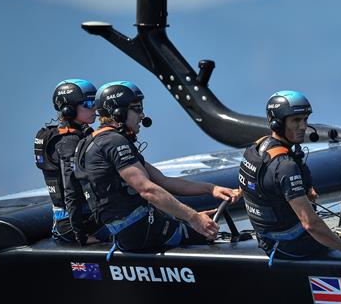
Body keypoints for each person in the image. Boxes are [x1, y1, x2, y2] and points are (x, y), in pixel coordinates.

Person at [74, 81, 237, 253]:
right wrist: (194, 218)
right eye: (137, 108)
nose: (142, 115)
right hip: (140, 231)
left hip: (130, 230)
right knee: (207, 234)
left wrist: (211, 189)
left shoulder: (96, 141)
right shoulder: (114, 142)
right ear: (118, 112)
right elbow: (148, 190)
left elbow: (163, 181)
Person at [239, 90, 341, 261]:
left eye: (305, 119)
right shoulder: (285, 167)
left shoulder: (256, 148)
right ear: (277, 124)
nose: (303, 126)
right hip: (291, 248)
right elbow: (310, 224)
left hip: (267, 239)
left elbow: (256, 184)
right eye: (296, 120)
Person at [34, 79, 108, 244]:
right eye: (88, 104)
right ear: (69, 109)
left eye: (95, 102)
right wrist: (79, 236)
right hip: (76, 224)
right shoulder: (69, 142)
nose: (94, 108)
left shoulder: (77, 135)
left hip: (78, 219)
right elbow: (71, 190)